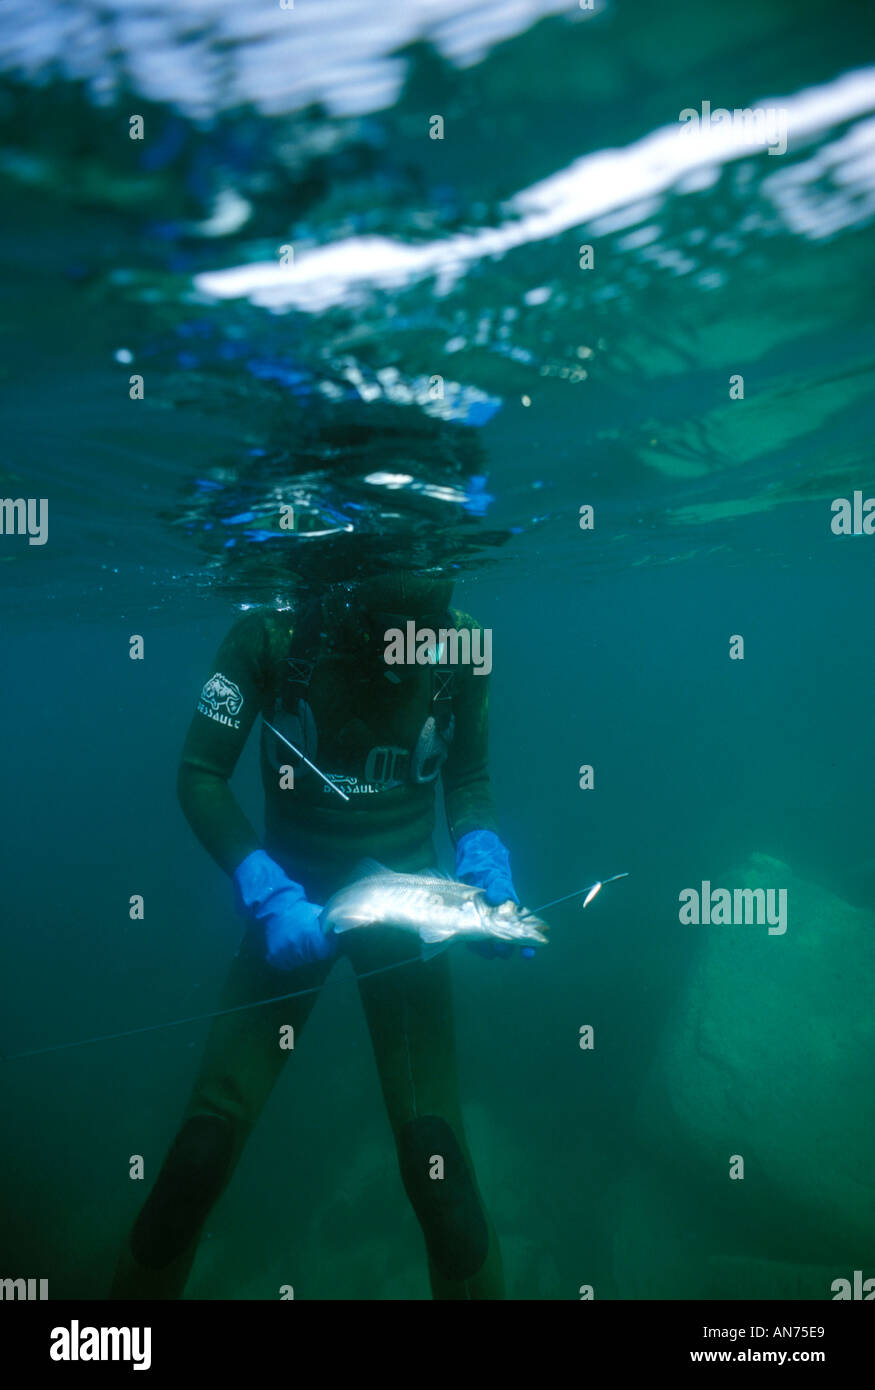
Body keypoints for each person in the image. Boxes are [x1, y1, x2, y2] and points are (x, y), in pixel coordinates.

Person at [111, 569, 525, 1300]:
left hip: (408, 914)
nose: (405, 654)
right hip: (291, 903)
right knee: (196, 1160)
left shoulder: (464, 645)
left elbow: (468, 778)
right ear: (347, 590)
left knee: (442, 1181)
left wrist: (482, 856)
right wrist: (266, 891)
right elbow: (201, 772)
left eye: (421, 630)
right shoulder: (269, 635)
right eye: (389, 626)